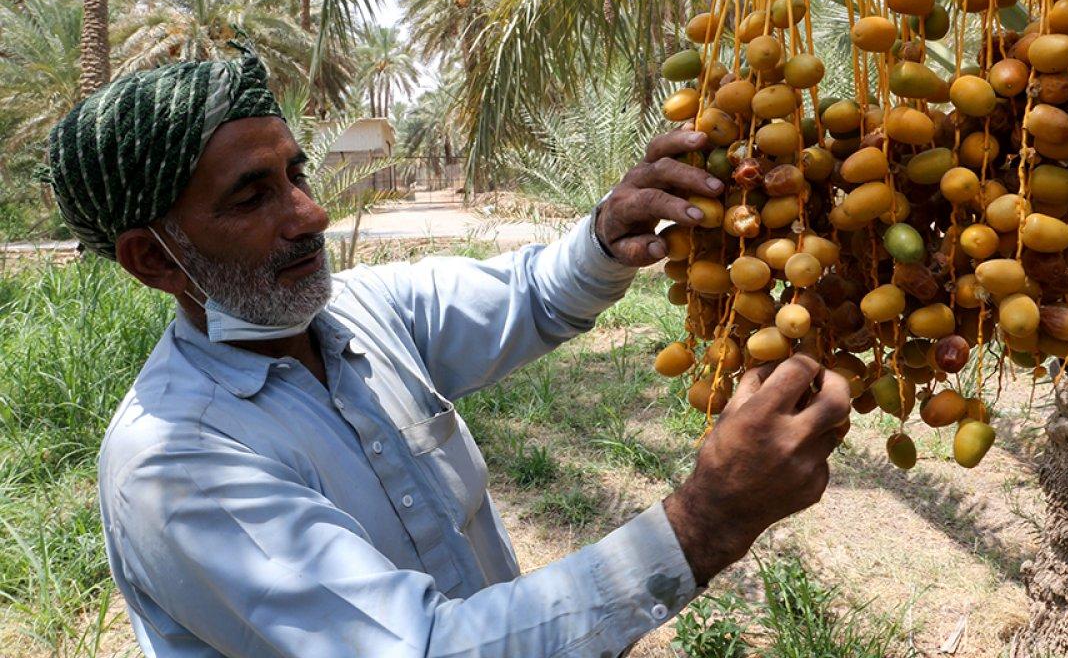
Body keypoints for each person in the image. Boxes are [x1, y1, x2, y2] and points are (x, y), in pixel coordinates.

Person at [47, 48, 851, 658]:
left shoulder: (359, 311)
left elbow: (533, 294)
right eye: (253, 196)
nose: (312, 214)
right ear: (154, 259)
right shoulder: (180, 465)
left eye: (296, 172)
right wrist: (705, 522)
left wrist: (611, 232)